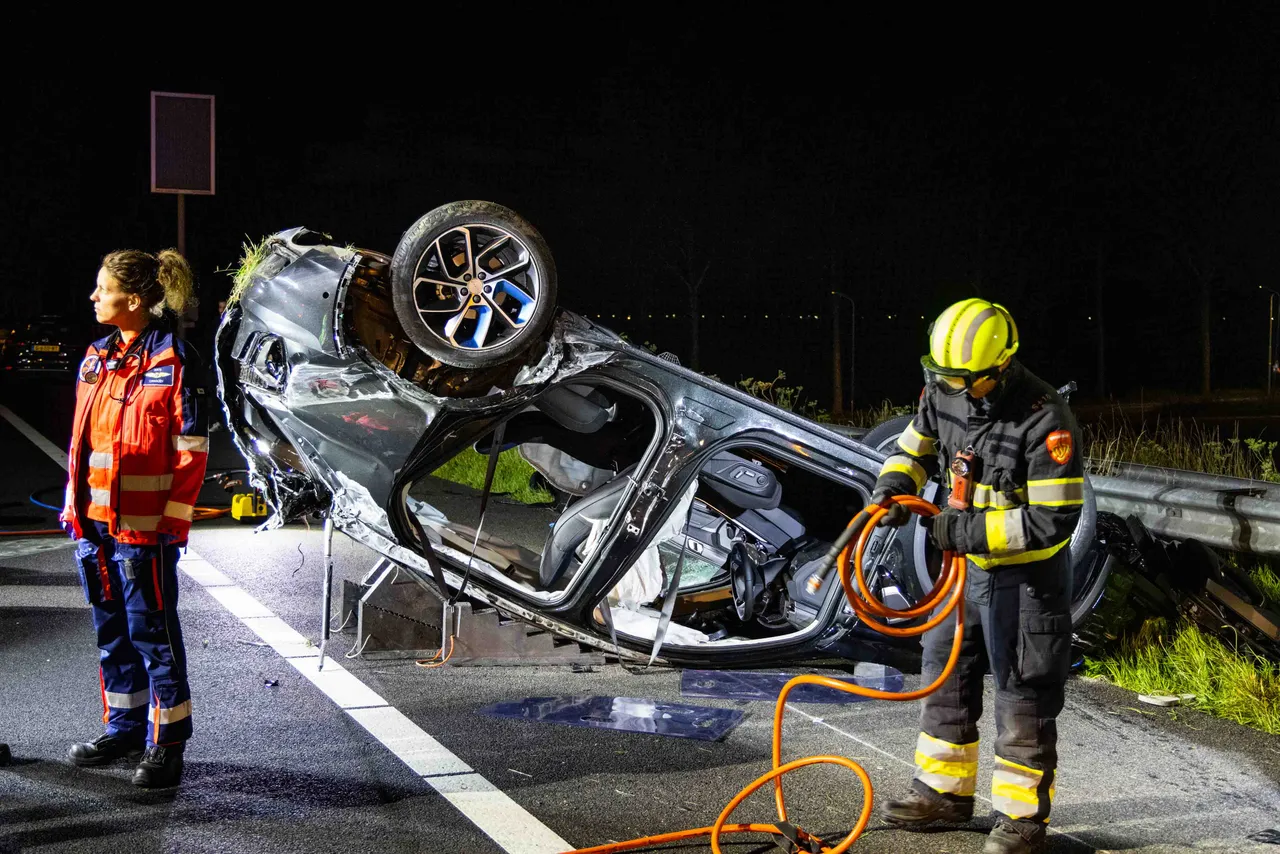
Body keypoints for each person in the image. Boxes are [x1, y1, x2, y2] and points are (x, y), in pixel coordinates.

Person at [872, 298, 1084, 854]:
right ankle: (943, 794)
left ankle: (1020, 820)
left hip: (1027, 582)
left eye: (966, 379)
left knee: (1023, 691)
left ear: (1002, 367)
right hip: (963, 575)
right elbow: (912, 450)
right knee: (945, 670)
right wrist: (892, 488)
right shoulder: (942, 390)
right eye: (945, 376)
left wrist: (958, 535)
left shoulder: (1045, 419)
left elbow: (1050, 523)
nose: (954, 387)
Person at [60, 249, 209, 788]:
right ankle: (123, 728)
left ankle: (166, 744)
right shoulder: (96, 356)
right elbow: (83, 440)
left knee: (153, 632)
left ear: (136, 299)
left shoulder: (175, 360)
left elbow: (191, 448)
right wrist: (72, 503)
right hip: (93, 523)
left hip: (145, 529)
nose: (94, 297)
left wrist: (174, 521)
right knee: (111, 631)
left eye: (104, 289)